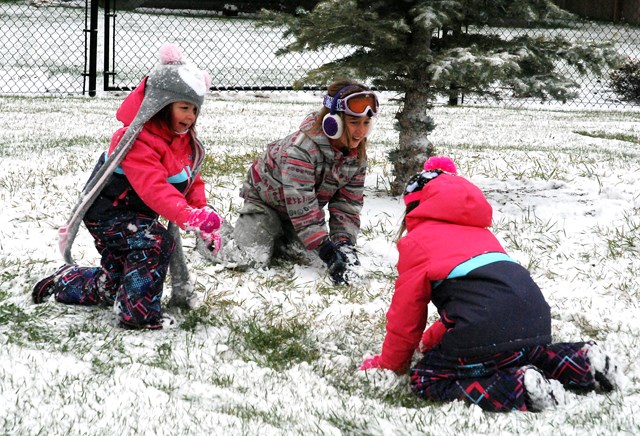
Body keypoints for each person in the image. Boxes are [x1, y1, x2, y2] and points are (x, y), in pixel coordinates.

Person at [359, 156, 625, 412]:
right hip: (534, 321)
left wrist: (391, 365)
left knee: (426, 378)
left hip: (486, 328)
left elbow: (406, 317)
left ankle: (517, 387)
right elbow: (480, 301)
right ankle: (582, 361)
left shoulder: (417, 243)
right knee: (521, 353)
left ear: (413, 208)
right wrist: (432, 339)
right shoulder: (482, 234)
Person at [32, 43, 222, 330]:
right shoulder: (135, 140)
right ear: (160, 104)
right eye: (184, 107)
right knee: (156, 242)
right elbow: (153, 188)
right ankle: (138, 315)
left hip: (135, 217)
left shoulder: (182, 140)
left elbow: (190, 180)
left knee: (117, 281)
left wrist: (202, 217)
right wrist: (187, 216)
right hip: (109, 215)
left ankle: (65, 281)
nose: (191, 117)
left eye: (195, 109)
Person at [215, 78, 379, 285]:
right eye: (354, 122)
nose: (361, 131)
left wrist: (344, 245)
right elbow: (302, 207)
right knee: (248, 260)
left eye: (366, 123)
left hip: (299, 213)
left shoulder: (356, 156)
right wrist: (327, 250)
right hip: (266, 204)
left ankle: (281, 237)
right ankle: (212, 232)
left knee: (304, 255)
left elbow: (347, 206)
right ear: (333, 122)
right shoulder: (301, 150)